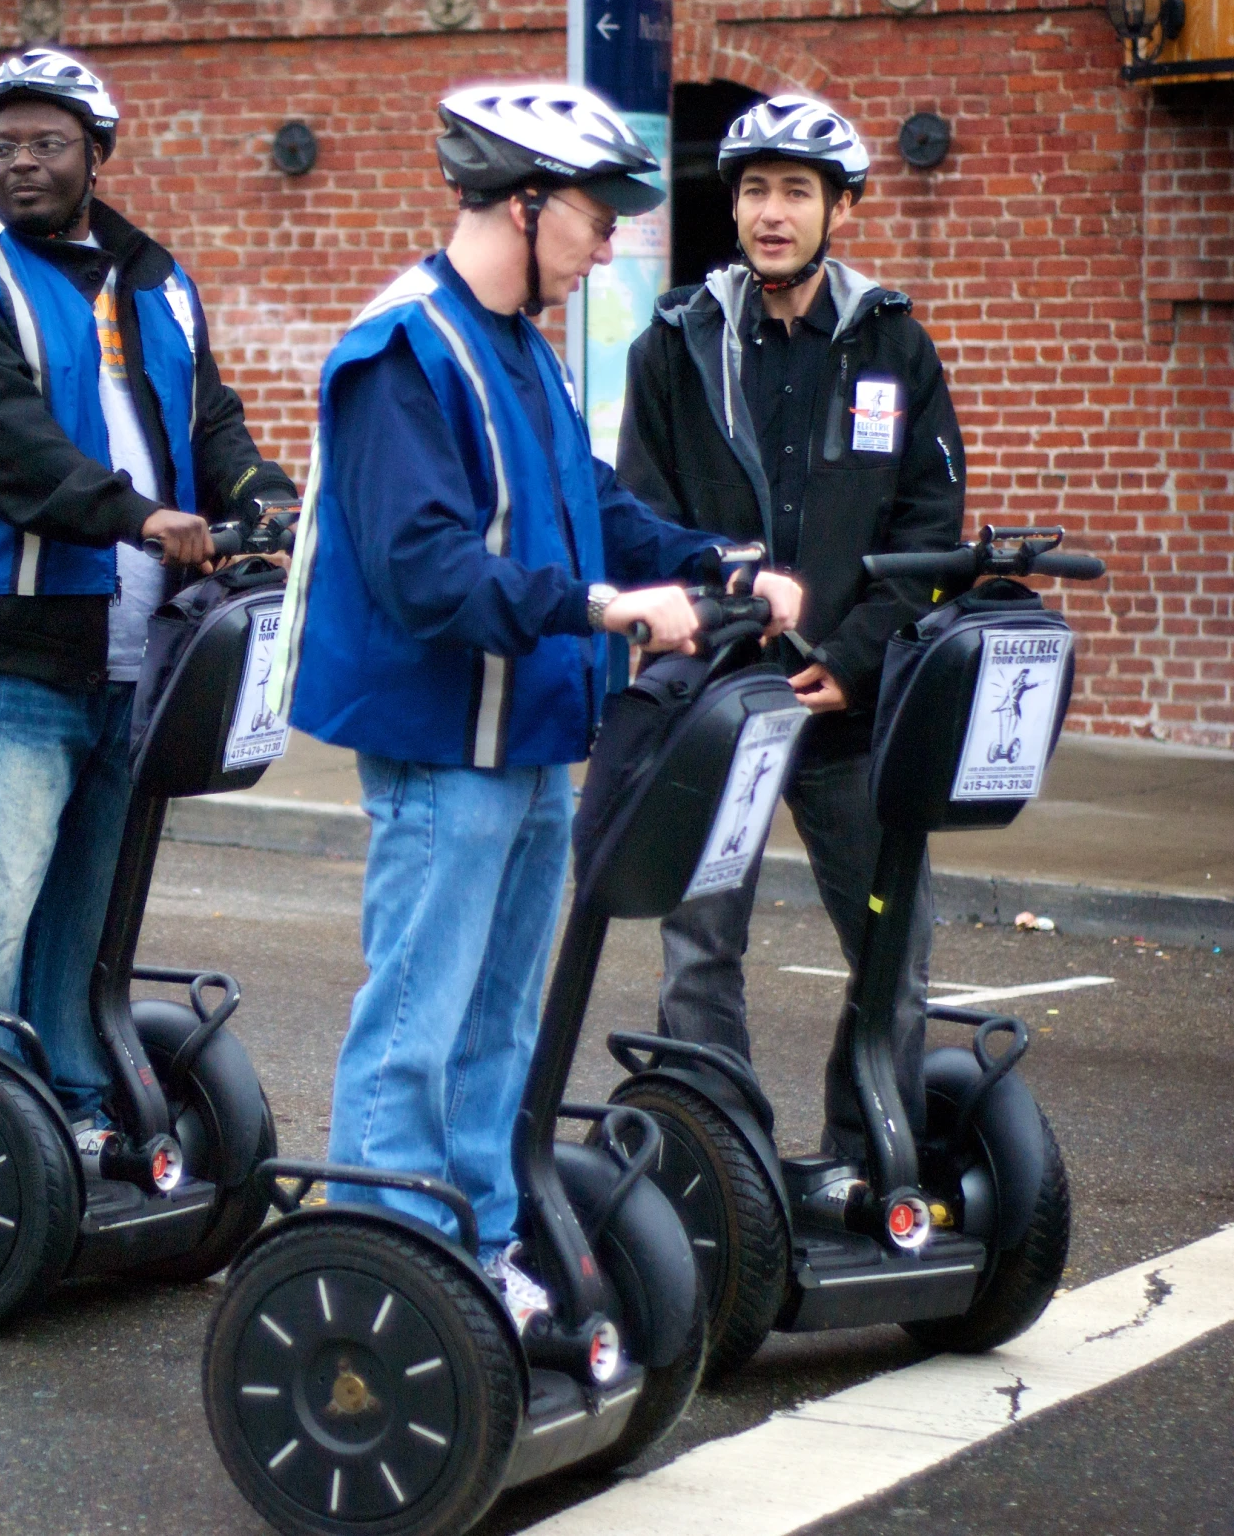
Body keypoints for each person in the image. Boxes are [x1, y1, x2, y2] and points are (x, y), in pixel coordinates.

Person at [274, 83, 805, 1324]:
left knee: (500, 1025)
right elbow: (422, 569)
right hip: (439, 748)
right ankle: (384, 1283)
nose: (609, 240)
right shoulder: (401, 351)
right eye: (594, 213)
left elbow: (592, 511)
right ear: (522, 204)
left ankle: (481, 1250)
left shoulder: (518, 344)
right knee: (416, 1021)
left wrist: (708, 562)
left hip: (527, 742)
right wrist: (605, 612)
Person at [0, 48, 299, 1140]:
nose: (20, 164)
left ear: (95, 154)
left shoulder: (155, 281)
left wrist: (262, 496)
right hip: (11, 646)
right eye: (4, 145)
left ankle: (72, 1105)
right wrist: (138, 516)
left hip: (141, 650)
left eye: (47, 144)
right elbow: (4, 446)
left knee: (86, 919)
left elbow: (209, 419)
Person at [617, 94, 966, 1159]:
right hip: (717, 704)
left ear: (838, 208)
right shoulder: (675, 342)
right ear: (732, 205)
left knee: (889, 941)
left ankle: (867, 1159)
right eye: (755, 190)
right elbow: (641, 511)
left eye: (796, 193)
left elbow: (927, 525)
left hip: (844, 711)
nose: (771, 212)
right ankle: (717, 1172)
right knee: (699, 950)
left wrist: (857, 660)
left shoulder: (891, 344)